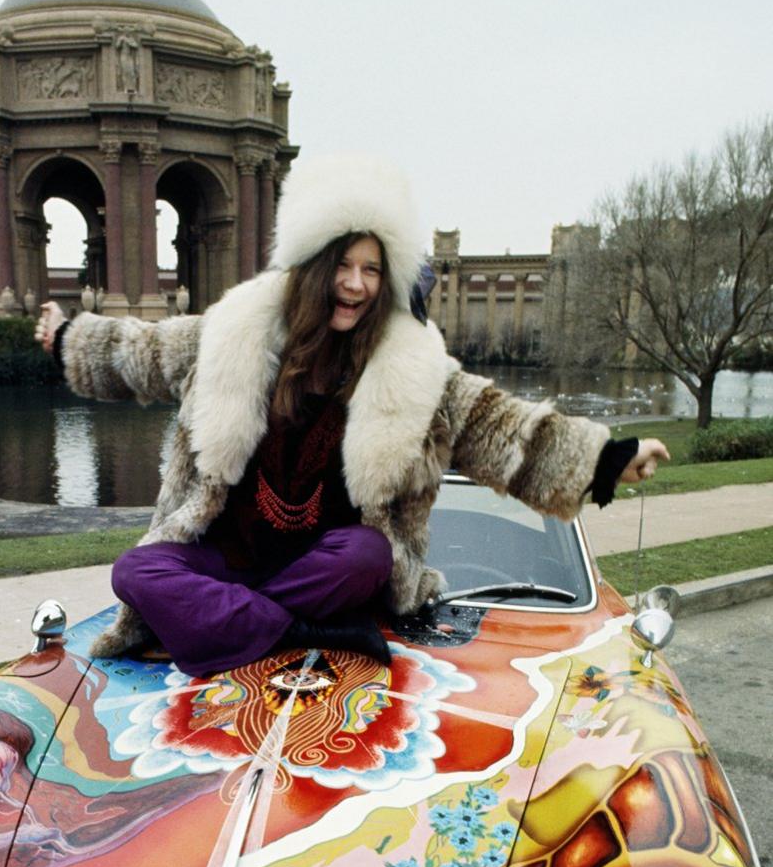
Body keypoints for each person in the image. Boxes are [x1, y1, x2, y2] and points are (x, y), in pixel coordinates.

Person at [36, 154, 667, 677]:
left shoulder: (411, 366)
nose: (356, 284)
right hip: (232, 559)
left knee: (368, 556)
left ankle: (231, 625)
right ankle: (302, 631)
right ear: (314, 264)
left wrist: (606, 458)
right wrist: (73, 339)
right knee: (138, 569)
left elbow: (497, 427)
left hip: (325, 567)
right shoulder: (236, 332)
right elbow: (143, 353)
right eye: (343, 264)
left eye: (372, 269)